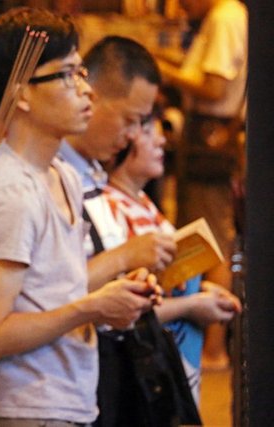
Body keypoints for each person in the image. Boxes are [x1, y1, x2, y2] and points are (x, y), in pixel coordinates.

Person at [0, 8, 160, 426]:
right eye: (67, 75)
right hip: (23, 406)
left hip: (66, 398)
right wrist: (90, 308)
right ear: (22, 94)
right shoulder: (12, 192)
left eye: (82, 72)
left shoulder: (64, 176)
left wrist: (118, 293)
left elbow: (57, 289)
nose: (86, 91)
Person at [59, 36, 178, 426]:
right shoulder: (51, 176)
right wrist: (126, 256)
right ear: (89, 93)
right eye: (129, 119)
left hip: (97, 370)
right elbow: (46, 297)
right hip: (56, 384)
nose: (132, 136)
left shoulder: (93, 173)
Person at [103, 111, 242, 404]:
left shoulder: (144, 204)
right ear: (120, 141)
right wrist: (191, 305)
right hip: (141, 373)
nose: (161, 142)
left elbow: (167, 285)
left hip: (166, 365)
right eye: (149, 134)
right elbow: (119, 309)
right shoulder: (109, 209)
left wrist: (204, 294)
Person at [155, 0, 247, 371]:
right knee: (206, 235)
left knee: (210, 241)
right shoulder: (226, 16)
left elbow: (213, 85)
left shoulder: (225, 17)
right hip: (209, 137)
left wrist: (164, 71)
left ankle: (212, 348)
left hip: (210, 136)